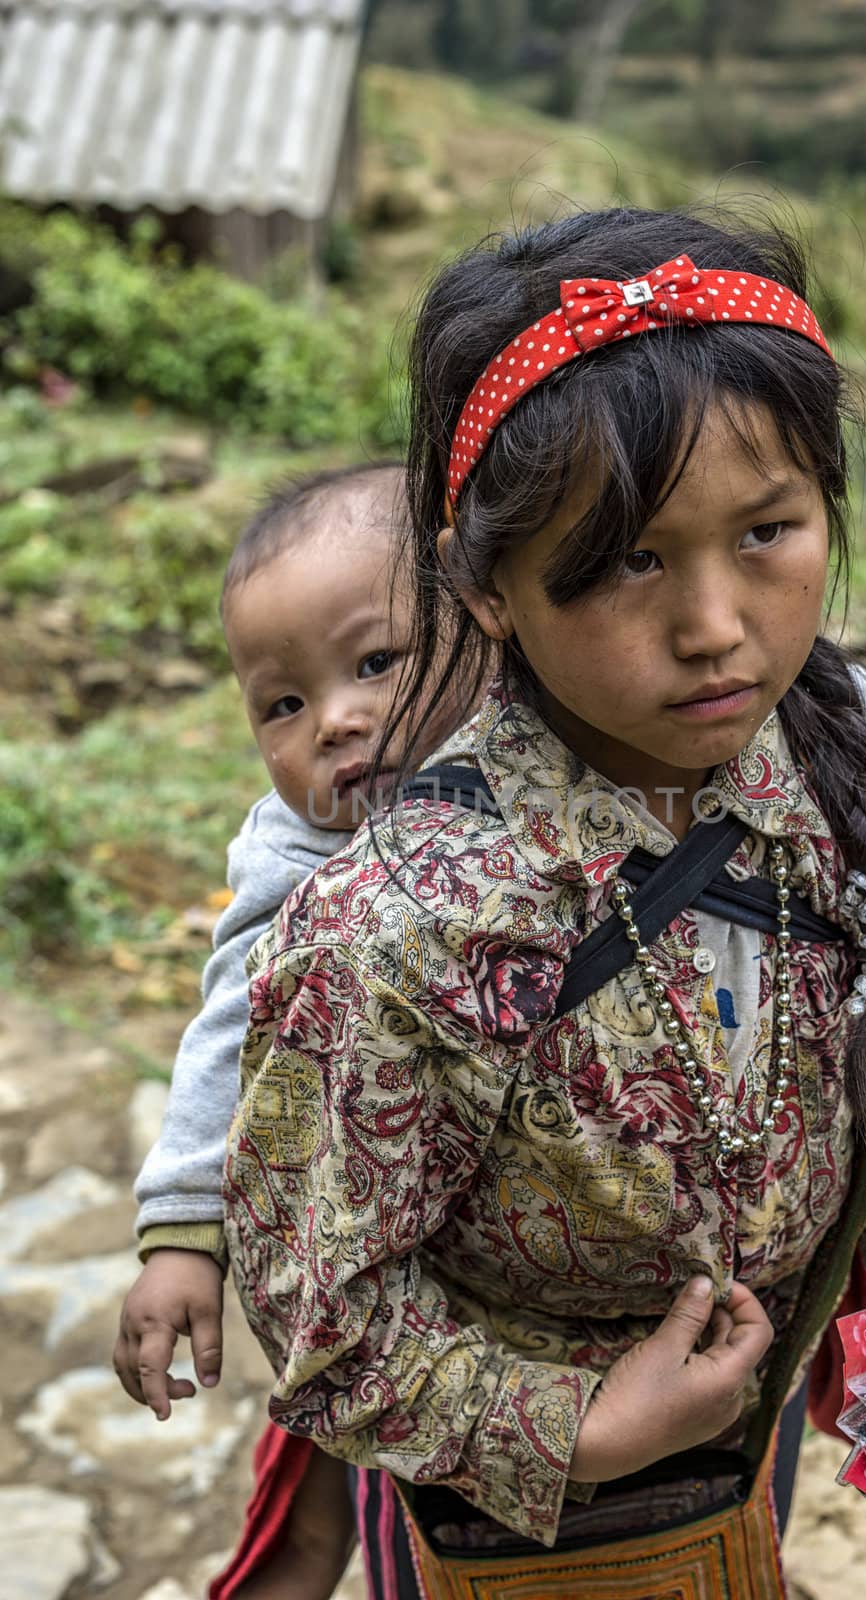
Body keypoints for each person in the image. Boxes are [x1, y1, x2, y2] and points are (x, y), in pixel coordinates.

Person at [219, 206, 866, 1599]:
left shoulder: (862, 800)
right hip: (500, 1528)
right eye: (626, 560)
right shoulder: (399, 929)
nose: (716, 626)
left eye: (767, 531)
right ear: (484, 590)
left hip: (752, 1434)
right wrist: (580, 1427)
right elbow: (321, 1310)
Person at [113, 461, 465, 1600]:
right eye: (284, 704)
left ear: (483, 624)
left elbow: (803, 696)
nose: (338, 720)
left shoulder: (554, 749)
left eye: (375, 663)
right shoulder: (295, 858)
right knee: (398, 1511)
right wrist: (180, 1227)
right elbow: (226, 1025)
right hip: (385, 1276)